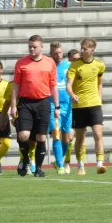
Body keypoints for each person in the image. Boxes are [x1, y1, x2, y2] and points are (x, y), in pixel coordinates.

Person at [10, 35, 59, 178]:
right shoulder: (21, 63)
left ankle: (38, 168)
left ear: (41, 47)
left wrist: (57, 107)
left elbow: (53, 86)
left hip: (43, 102)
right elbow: (16, 86)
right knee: (23, 135)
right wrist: (13, 106)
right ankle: (25, 159)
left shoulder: (50, 63)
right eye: (30, 46)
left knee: (41, 137)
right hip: (25, 102)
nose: (32, 49)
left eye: (34, 46)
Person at [66, 38, 107, 175]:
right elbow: (68, 85)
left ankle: (100, 163)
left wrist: (99, 100)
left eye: (85, 49)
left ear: (92, 50)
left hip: (94, 104)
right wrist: (72, 94)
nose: (82, 51)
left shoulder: (99, 65)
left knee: (98, 133)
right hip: (79, 106)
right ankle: (80, 164)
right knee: (80, 138)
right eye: (81, 48)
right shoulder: (75, 65)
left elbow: (99, 83)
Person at [48, 42, 72, 175]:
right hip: (53, 105)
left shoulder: (69, 66)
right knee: (56, 135)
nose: (58, 55)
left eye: (60, 52)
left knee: (67, 138)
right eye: (55, 53)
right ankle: (60, 166)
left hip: (68, 106)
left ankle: (58, 161)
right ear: (51, 54)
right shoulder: (48, 67)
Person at [63, 49, 86, 172]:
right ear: (70, 59)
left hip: (80, 105)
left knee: (81, 136)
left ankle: (80, 164)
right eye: (75, 58)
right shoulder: (66, 69)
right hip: (67, 106)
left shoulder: (82, 68)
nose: (78, 60)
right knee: (70, 137)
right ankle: (66, 162)